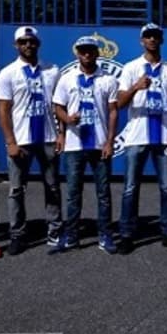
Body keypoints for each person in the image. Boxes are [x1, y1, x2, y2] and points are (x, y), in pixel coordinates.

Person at [116, 23, 167, 253]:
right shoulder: (131, 67)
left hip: (163, 136)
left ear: (161, 40)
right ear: (141, 40)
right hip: (137, 136)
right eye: (148, 36)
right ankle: (126, 234)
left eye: (155, 36)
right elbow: (120, 103)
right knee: (130, 187)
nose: (152, 40)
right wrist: (136, 87)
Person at [0, 25, 62, 256]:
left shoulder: (52, 70)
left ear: (38, 44)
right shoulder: (8, 73)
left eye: (31, 41)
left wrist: (61, 133)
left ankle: (54, 231)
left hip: (49, 137)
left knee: (52, 187)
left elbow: (59, 104)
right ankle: (18, 234)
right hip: (21, 140)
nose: (28, 45)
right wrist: (10, 142)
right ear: (16, 45)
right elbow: (3, 109)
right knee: (16, 190)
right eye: (23, 42)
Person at [51, 35, 119, 254]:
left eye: (91, 50)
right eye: (83, 50)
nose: (87, 54)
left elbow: (113, 112)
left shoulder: (107, 79)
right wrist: (66, 122)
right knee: (72, 193)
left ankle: (105, 236)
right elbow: (58, 107)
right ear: (77, 53)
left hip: (99, 144)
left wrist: (110, 141)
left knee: (103, 193)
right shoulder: (67, 78)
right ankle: (71, 236)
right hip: (74, 145)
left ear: (97, 52)